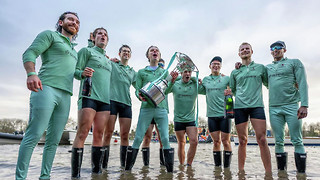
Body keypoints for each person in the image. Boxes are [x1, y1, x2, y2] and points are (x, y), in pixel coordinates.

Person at [16, 12, 80, 180]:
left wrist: (84, 73)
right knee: (34, 135)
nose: (74, 23)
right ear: (61, 22)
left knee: (53, 141)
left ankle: (45, 177)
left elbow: (75, 73)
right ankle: (20, 177)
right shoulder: (50, 35)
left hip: (66, 95)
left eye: (77, 21)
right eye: (70, 19)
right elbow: (30, 53)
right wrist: (31, 73)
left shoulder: (75, 51)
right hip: (46, 88)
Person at [125, 46, 178, 172]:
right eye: (152, 50)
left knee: (165, 138)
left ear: (159, 56)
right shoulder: (141, 72)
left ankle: (169, 173)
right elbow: (137, 89)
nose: (154, 52)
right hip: (146, 108)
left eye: (157, 51)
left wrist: (173, 81)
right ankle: (127, 172)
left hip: (162, 108)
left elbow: (167, 91)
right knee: (138, 138)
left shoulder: (165, 72)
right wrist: (139, 95)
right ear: (148, 56)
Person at [71, 27, 111, 178]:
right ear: (93, 38)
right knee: (82, 133)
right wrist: (82, 73)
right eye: (100, 34)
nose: (103, 36)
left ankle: (97, 173)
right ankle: (76, 175)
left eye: (105, 35)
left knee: (99, 134)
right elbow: (74, 71)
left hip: (105, 101)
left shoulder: (108, 60)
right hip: (89, 96)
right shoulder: (86, 52)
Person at [230, 42, 272, 175]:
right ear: (239, 54)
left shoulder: (261, 68)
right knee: (242, 141)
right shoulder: (235, 71)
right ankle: (241, 172)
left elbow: (269, 84)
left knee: (262, 139)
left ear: (252, 52)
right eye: (242, 49)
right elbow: (232, 90)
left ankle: (268, 173)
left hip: (257, 106)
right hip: (240, 107)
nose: (245, 51)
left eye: (247, 49)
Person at [267, 41, 308, 174]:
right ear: (271, 51)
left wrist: (304, 105)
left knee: (297, 140)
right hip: (274, 108)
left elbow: (302, 82)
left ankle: (301, 175)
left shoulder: (294, 63)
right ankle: (281, 174)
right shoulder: (267, 68)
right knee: (278, 141)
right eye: (273, 48)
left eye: (278, 48)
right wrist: (239, 67)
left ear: (284, 49)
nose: (275, 50)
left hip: (292, 106)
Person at [102, 45, 136, 168]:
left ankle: (124, 167)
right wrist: (108, 59)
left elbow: (138, 88)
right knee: (108, 133)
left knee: (125, 135)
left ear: (130, 55)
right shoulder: (113, 65)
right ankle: (103, 166)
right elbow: (102, 62)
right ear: (119, 53)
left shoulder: (133, 72)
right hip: (111, 101)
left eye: (128, 52)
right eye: (124, 51)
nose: (126, 53)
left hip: (126, 104)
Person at [200, 56, 233, 168]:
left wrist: (231, 92)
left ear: (221, 66)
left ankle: (227, 169)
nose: (216, 66)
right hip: (211, 115)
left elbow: (234, 88)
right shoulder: (205, 80)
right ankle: (217, 169)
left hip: (224, 114)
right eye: (214, 64)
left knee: (226, 141)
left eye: (218, 64)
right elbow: (200, 89)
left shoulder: (226, 79)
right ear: (210, 66)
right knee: (216, 142)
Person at [166, 69, 203, 166]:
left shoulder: (195, 85)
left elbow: (207, 90)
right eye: (185, 72)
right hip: (178, 119)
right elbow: (165, 91)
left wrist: (196, 80)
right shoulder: (175, 84)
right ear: (181, 73)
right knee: (181, 143)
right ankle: (182, 167)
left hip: (191, 119)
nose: (187, 74)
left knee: (194, 142)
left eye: (189, 72)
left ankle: (189, 165)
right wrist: (172, 81)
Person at [141, 58, 166, 167]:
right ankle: (145, 166)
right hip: (148, 109)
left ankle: (163, 165)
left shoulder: (166, 77)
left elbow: (179, 79)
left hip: (161, 110)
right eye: (159, 64)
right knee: (147, 137)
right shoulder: (148, 76)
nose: (160, 67)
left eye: (162, 65)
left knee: (162, 138)